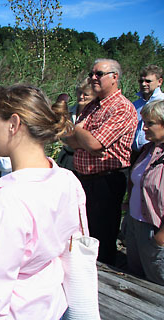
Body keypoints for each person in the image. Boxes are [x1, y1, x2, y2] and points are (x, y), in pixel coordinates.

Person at [0, 85, 88, 319]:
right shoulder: (67, 180)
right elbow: (70, 250)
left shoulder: (6, 204)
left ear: (13, 124)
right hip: (49, 307)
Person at [64, 58, 138, 265]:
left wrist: (77, 130)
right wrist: (81, 137)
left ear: (114, 77)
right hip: (84, 178)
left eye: (99, 74)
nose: (93, 78)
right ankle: (82, 273)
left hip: (106, 180)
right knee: (82, 230)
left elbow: (96, 144)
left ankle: (103, 279)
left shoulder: (121, 108)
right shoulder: (92, 107)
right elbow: (71, 141)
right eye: (91, 74)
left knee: (101, 235)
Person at [125, 99, 164, 285]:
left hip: (154, 228)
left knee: (156, 280)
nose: (144, 128)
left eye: (150, 123)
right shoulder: (148, 149)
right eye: (144, 122)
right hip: (135, 222)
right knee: (135, 277)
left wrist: (160, 238)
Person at [56, 79, 95, 172]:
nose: (81, 97)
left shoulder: (95, 116)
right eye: (79, 93)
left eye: (86, 94)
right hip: (65, 158)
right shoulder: (68, 112)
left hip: (85, 162)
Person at [131, 65, 164, 160]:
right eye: (141, 81)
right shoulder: (135, 105)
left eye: (148, 81)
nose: (144, 84)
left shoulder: (162, 103)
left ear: (159, 81)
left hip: (157, 153)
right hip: (136, 155)